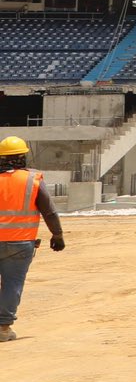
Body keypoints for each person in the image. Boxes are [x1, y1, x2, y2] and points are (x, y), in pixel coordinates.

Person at [0, 136, 65, 342]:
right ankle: (3, 328)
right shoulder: (32, 179)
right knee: (12, 283)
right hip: (20, 244)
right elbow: (49, 211)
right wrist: (57, 234)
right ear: (22, 157)